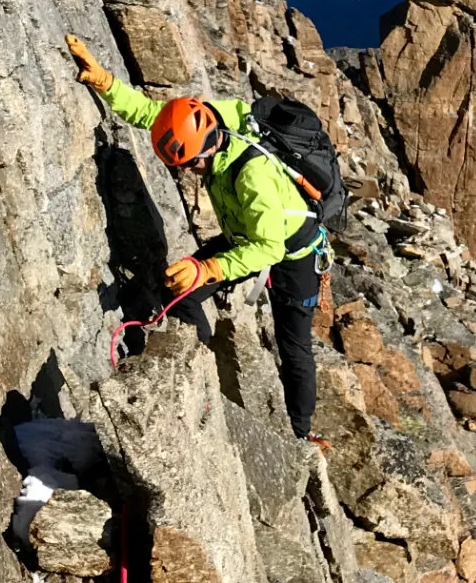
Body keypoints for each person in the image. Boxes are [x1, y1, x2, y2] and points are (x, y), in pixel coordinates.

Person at [66, 34, 328, 444]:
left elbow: (269, 248)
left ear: (205, 153)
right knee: (185, 293)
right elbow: (157, 116)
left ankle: (300, 435)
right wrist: (105, 83)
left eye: (190, 165)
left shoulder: (252, 176)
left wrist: (208, 266)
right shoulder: (210, 120)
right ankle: (198, 375)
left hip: (294, 251)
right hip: (247, 235)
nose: (188, 172)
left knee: (293, 346)